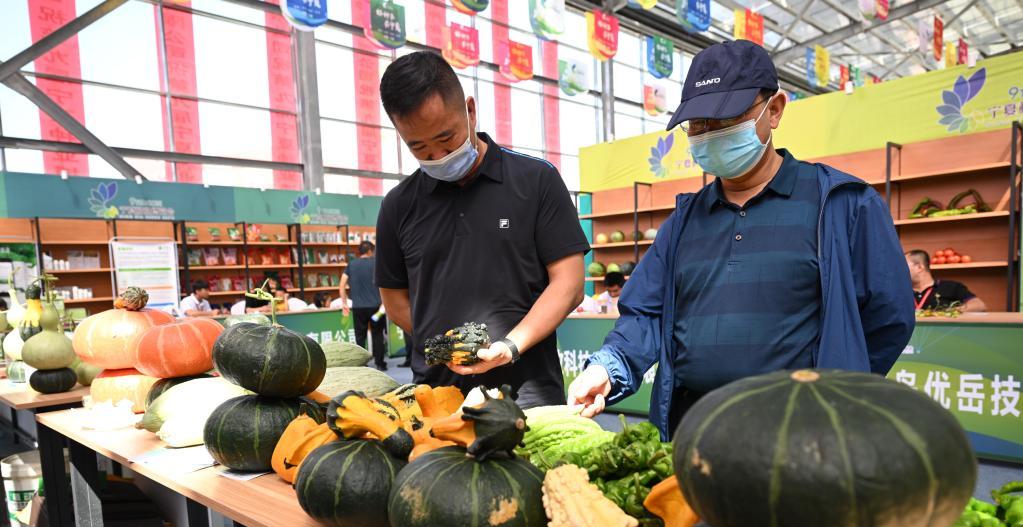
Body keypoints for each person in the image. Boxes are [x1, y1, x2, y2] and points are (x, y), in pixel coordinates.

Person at [567, 40, 914, 438]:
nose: (709, 134)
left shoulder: (842, 204)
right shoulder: (683, 221)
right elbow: (646, 312)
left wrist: (839, 392)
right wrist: (607, 367)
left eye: (726, 118)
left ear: (776, 110)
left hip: (801, 431)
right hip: (693, 425)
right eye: (698, 124)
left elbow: (889, 316)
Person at [375, 51, 589, 407]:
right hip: (436, 398)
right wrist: (446, 348)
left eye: (447, 139)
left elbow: (569, 284)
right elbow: (395, 301)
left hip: (527, 394)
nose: (437, 156)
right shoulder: (398, 205)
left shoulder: (535, 181)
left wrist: (510, 345)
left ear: (470, 111)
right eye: (419, 148)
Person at [341, 241, 388, 371]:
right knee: (377, 334)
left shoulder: (351, 264)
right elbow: (385, 284)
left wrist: (344, 303)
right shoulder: (376, 263)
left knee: (360, 335)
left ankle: (361, 364)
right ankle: (380, 363)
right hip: (376, 308)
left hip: (358, 307)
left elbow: (342, 285)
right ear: (369, 251)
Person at [905, 250, 986, 312]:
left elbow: (979, 305)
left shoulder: (952, 287)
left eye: (903, 265)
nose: (898, 270)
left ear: (919, 267)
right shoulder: (901, 291)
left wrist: (949, 312)